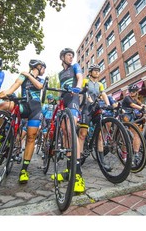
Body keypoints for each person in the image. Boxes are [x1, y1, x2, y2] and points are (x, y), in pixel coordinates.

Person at [0, 59, 46, 184]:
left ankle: (24, 170)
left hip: (35, 109)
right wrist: (4, 93)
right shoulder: (23, 76)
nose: (44, 70)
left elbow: (39, 87)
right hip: (23, 105)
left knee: (31, 137)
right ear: (38, 66)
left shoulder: (41, 79)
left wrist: (29, 74)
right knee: (2, 106)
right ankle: (0, 135)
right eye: (43, 67)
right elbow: (14, 86)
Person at [55, 47, 85, 193]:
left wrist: (78, 88)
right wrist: (57, 101)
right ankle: (68, 170)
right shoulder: (60, 73)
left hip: (73, 98)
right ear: (62, 57)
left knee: (71, 130)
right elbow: (61, 89)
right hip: (63, 101)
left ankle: (78, 175)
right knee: (65, 133)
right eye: (68, 55)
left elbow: (80, 78)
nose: (71, 57)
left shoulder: (75, 66)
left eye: (72, 55)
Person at [78, 63, 111, 171]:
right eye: (95, 70)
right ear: (90, 72)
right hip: (87, 108)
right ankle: (78, 158)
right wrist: (90, 101)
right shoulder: (85, 81)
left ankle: (102, 161)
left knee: (100, 136)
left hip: (96, 109)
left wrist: (108, 105)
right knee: (82, 134)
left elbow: (103, 94)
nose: (97, 72)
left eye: (98, 70)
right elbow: (84, 92)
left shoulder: (100, 84)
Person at [121, 84, 146, 163]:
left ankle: (136, 154)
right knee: (129, 136)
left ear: (137, 92)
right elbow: (133, 105)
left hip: (133, 116)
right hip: (126, 116)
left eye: (134, 91)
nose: (132, 92)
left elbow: (141, 104)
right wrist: (142, 109)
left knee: (137, 134)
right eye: (131, 91)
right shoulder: (127, 98)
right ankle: (124, 155)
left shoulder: (136, 99)